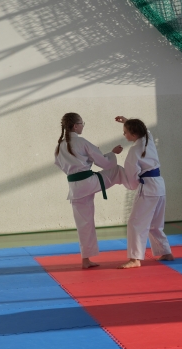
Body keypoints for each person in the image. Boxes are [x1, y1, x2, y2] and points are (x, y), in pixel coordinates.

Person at [54, 113, 128, 269]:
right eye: (82, 123)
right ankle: (138, 184)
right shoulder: (82, 142)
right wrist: (112, 153)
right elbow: (105, 164)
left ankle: (86, 260)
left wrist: (82, 163)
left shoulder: (60, 146)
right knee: (117, 171)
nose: (83, 126)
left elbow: (60, 164)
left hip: (75, 188)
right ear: (75, 126)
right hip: (89, 182)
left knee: (84, 224)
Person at [114, 117, 174, 269]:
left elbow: (132, 173)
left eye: (125, 132)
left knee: (135, 223)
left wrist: (133, 185)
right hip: (159, 185)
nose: (124, 135)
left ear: (134, 135)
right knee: (155, 224)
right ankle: (166, 252)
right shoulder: (148, 139)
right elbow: (145, 130)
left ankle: (135, 259)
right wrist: (127, 121)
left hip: (147, 188)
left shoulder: (134, 150)